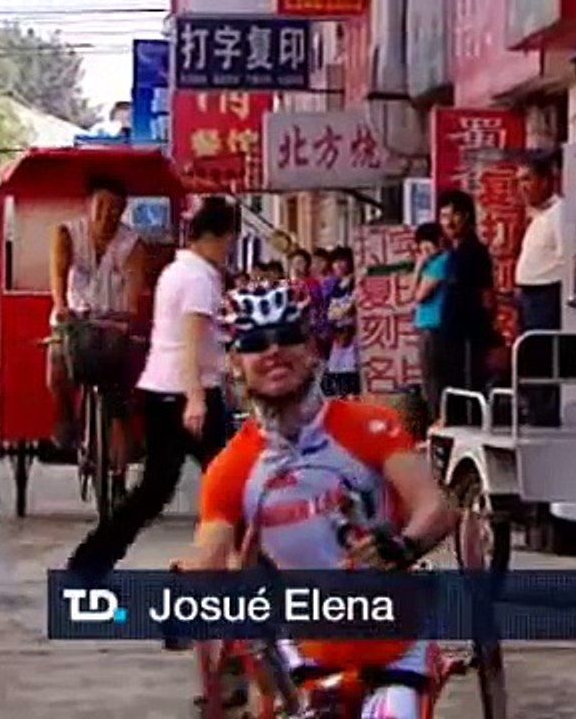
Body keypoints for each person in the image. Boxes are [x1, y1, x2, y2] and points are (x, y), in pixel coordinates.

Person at [178, 283, 456, 718]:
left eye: (287, 336)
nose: (273, 351)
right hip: (303, 655)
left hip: (394, 648)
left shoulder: (371, 426)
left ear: (310, 347)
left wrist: (402, 545)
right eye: (254, 342)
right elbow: (210, 550)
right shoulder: (231, 469)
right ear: (235, 362)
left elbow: (434, 507)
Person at [67, 197, 237, 579]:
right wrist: (196, 400)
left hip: (164, 391)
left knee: (155, 492)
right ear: (213, 236)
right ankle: (259, 570)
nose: (229, 248)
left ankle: (88, 564)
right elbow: (191, 342)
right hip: (186, 395)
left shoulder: (179, 271)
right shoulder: (196, 278)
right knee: (232, 483)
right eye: (228, 239)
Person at [48, 174, 145, 473]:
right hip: (75, 318)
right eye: (101, 206)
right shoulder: (66, 233)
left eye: (116, 208)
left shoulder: (132, 244)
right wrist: (62, 307)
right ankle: (65, 417)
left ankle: (122, 427)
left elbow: (132, 289)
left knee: (124, 371)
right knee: (57, 365)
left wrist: (128, 314)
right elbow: (59, 276)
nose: (107, 214)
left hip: (113, 322)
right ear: (88, 205)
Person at [514, 151, 576, 427]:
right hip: (530, 295)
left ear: (545, 180)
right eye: (519, 181)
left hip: (548, 295)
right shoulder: (539, 216)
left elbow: (575, 259)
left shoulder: (560, 212)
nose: (522, 187)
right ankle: (535, 412)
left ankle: (546, 416)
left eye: (528, 179)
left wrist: (570, 299)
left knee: (542, 360)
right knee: (528, 360)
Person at [437, 190, 495, 404]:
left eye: (454, 215)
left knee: (468, 380)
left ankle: (470, 421)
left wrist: (486, 328)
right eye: (443, 217)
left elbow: (487, 292)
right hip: (451, 327)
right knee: (451, 377)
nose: (449, 223)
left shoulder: (475, 250)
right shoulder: (452, 251)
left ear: (467, 216)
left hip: (470, 329)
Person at [412, 222, 450, 424]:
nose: (425, 253)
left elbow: (419, 295)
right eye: (421, 249)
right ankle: (436, 420)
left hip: (434, 326)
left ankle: (439, 420)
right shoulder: (432, 264)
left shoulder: (441, 262)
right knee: (429, 379)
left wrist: (419, 267)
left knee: (434, 379)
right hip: (427, 324)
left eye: (428, 247)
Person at [324, 246, 360, 397]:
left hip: (354, 336)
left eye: (342, 261)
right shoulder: (337, 286)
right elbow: (331, 313)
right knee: (338, 375)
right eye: (335, 262)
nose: (338, 265)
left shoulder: (356, 283)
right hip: (339, 336)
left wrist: (341, 311)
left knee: (352, 376)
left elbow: (350, 307)